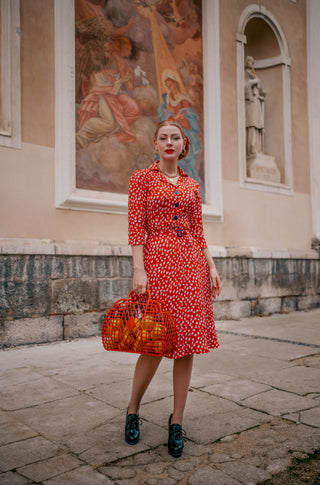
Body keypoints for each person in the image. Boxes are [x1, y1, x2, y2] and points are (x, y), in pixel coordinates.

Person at [125, 119, 221, 458]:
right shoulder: (142, 179)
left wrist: (210, 264)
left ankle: (176, 420)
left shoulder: (192, 186)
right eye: (163, 138)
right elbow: (136, 227)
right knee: (153, 342)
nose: (169, 142)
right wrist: (139, 270)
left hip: (191, 267)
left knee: (187, 345)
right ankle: (133, 409)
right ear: (155, 144)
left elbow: (198, 231)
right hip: (157, 266)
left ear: (184, 145)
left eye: (175, 138)